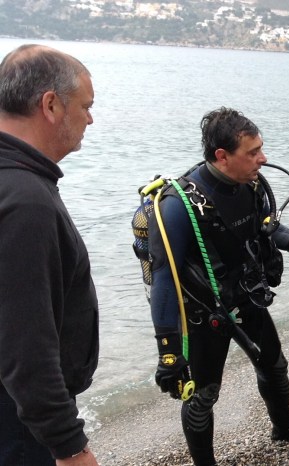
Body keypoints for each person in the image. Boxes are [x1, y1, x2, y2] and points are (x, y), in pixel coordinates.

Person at [148, 108, 289, 465]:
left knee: (275, 366)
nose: (263, 159)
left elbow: (268, 230)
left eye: (261, 149)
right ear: (222, 156)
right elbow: (163, 278)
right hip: (205, 312)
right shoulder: (180, 206)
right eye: (252, 152)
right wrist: (168, 352)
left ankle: (283, 429)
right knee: (204, 396)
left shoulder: (251, 185)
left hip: (245, 293)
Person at [0, 45, 99, 466]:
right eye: (85, 106)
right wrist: (69, 446)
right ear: (51, 104)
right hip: (19, 423)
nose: (90, 119)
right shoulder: (25, 201)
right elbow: (27, 340)